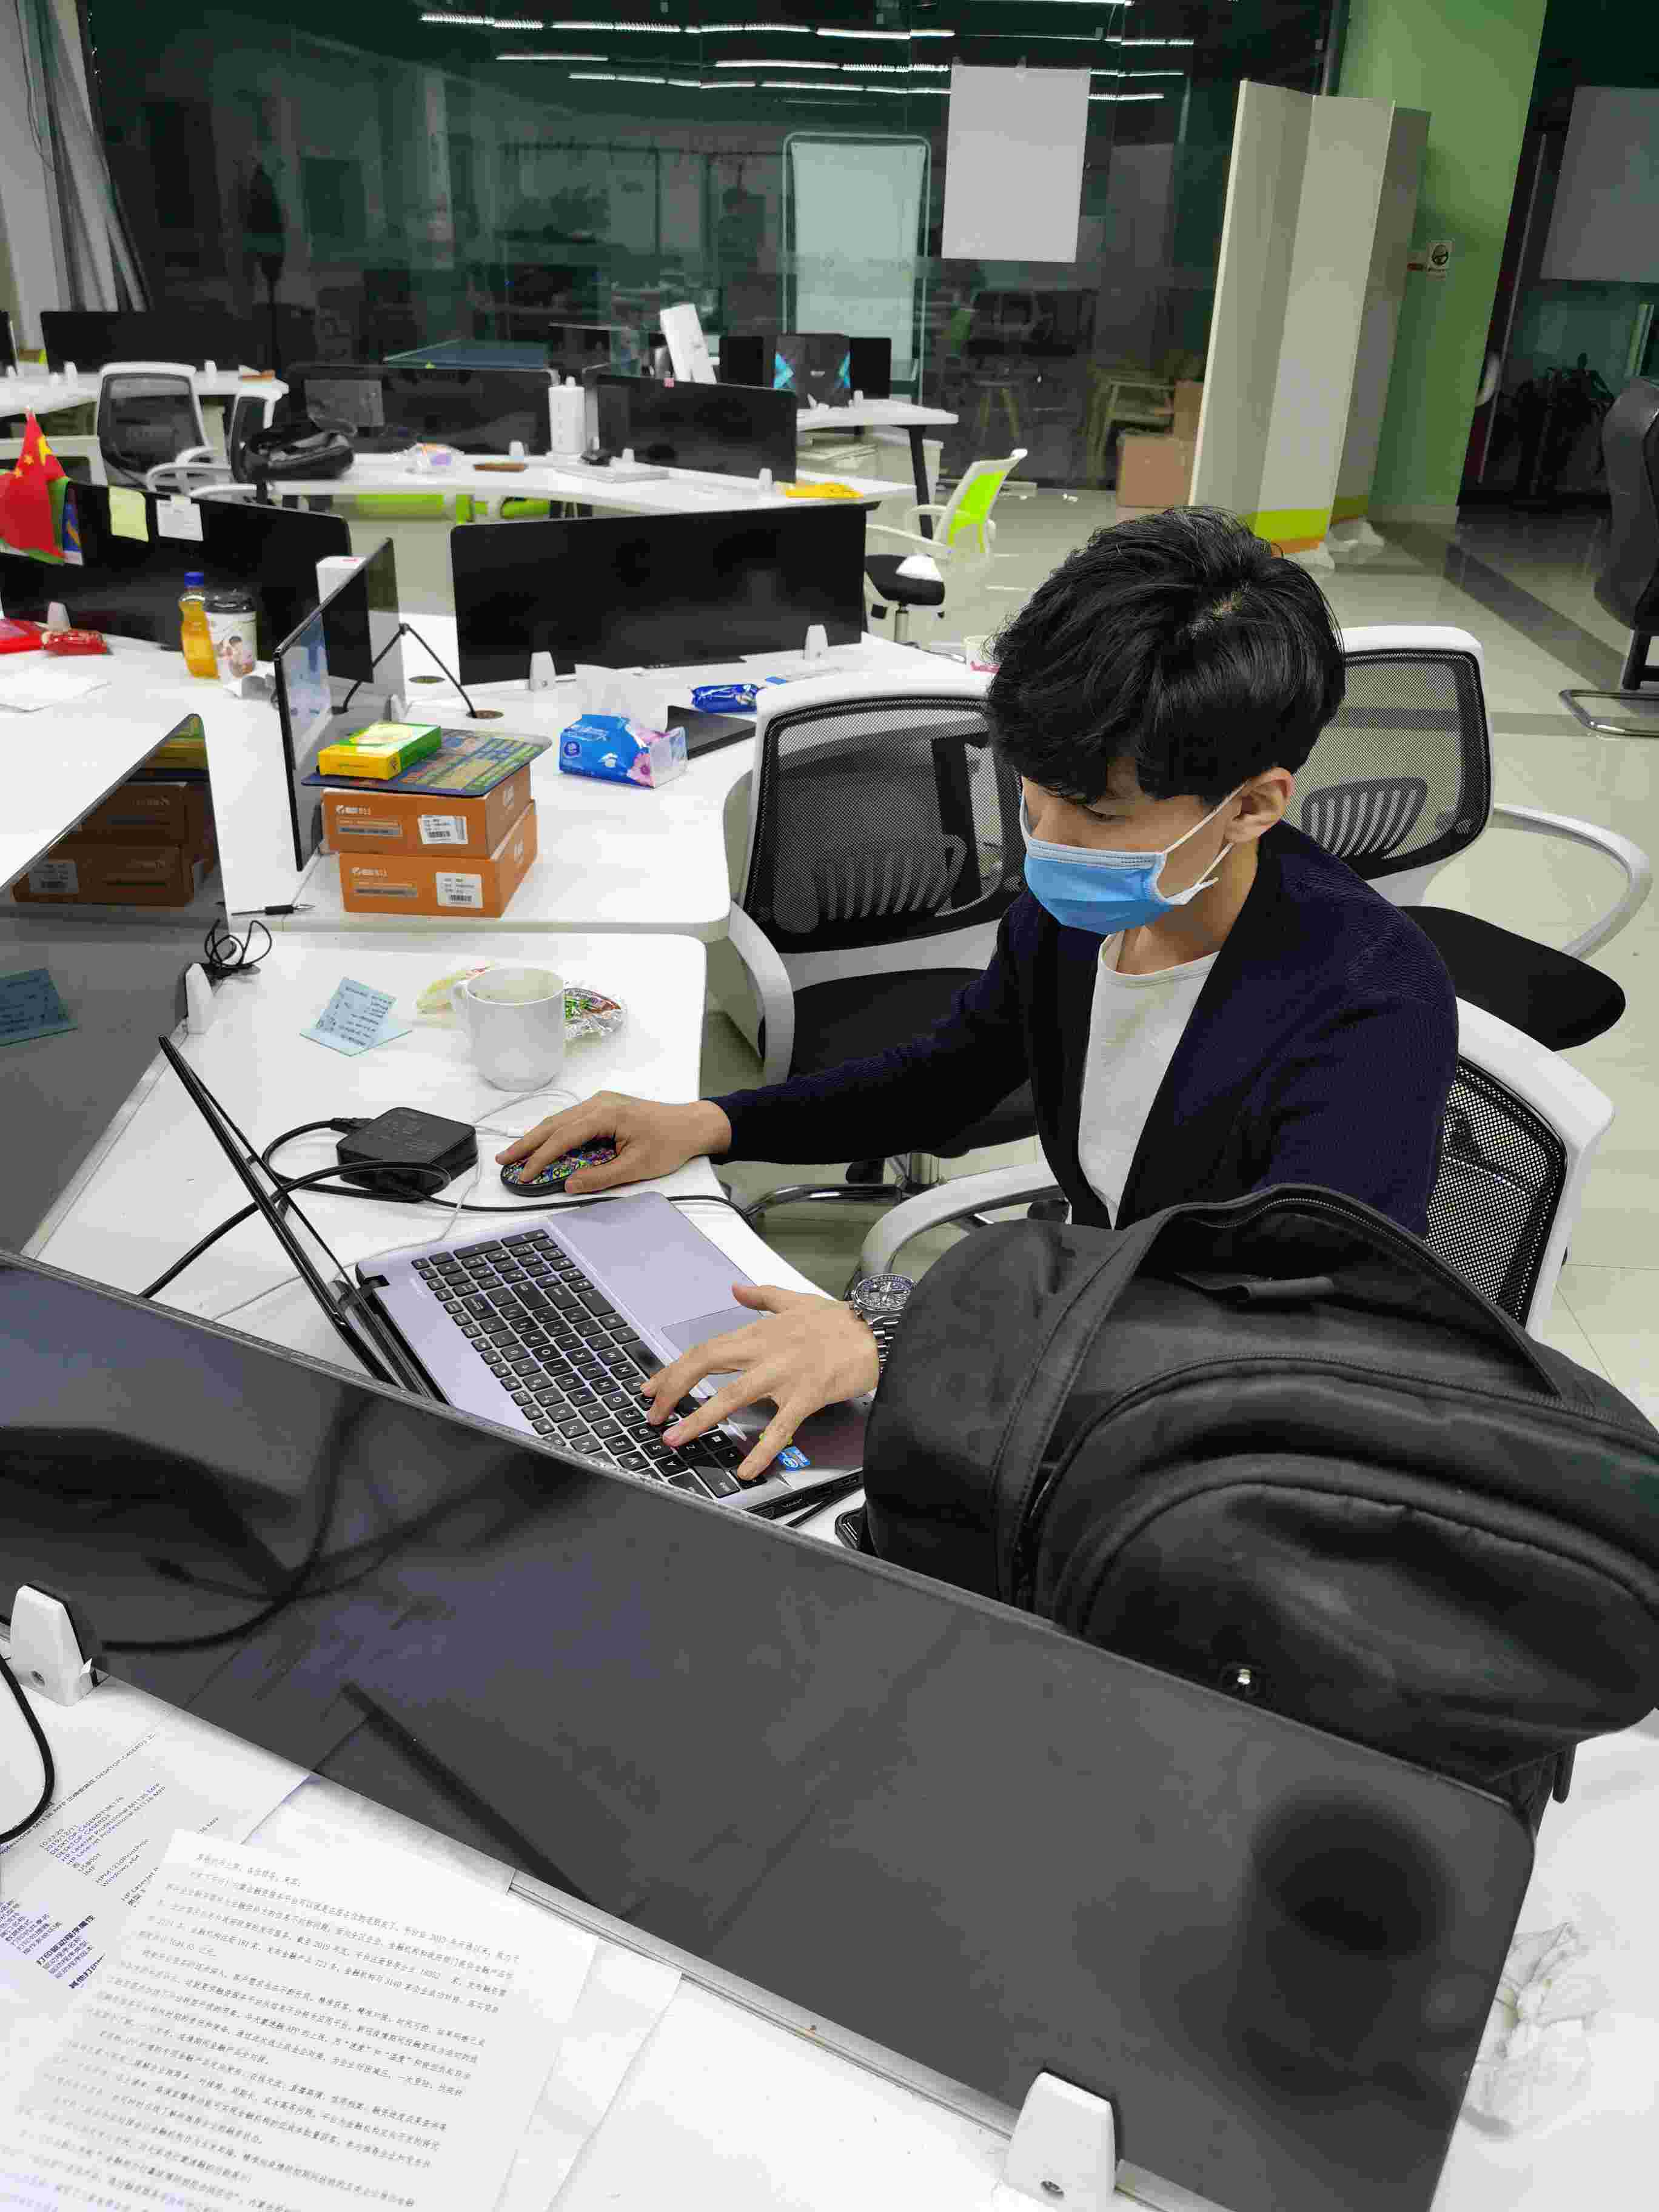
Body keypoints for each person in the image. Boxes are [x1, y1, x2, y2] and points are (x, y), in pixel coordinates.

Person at [498, 508, 1458, 1482]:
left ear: (1251, 805)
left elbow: (1292, 1324)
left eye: (1098, 813)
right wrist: (713, 1122)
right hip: (1083, 1335)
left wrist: (901, 1330)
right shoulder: (1073, 917)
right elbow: (950, 1078)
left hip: (1201, 1429)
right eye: (1035, 791)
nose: (1048, 842)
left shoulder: (1370, 1006)